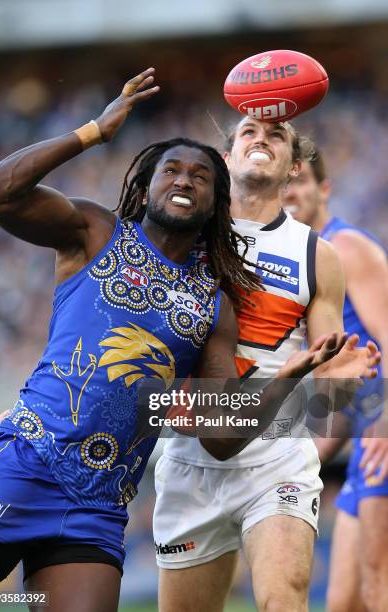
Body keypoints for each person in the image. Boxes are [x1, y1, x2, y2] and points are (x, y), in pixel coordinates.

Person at [0, 68, 358, 611]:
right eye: (171, 170)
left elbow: (221, 429)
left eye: (199, 176)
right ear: (145, 182)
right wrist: (93, 133)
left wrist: (300, 378)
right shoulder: (95, 231)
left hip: (103, 505)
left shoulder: (216, 299)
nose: (184, 180)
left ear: (215, 197)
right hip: (30, 462)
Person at [153, 116, 379, 612]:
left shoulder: (318, 255)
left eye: (276, 135)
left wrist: (342, 379)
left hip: (278, 458)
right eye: (249, 132)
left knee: (284, 599)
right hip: (190, 456)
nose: (262, 138)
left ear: (294, 167)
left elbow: (328, 387)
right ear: (228, 158)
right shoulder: (181, 234)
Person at [284, 148, 388, 612]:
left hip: (381, 435)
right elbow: (352, 387)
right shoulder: (310, 264)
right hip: (368, 429)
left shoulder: (344, 246)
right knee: (344, 601)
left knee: (378, 586)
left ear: (323, 189)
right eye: (281, 181)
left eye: (300, 180)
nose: (288, 190)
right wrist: (305, 457)